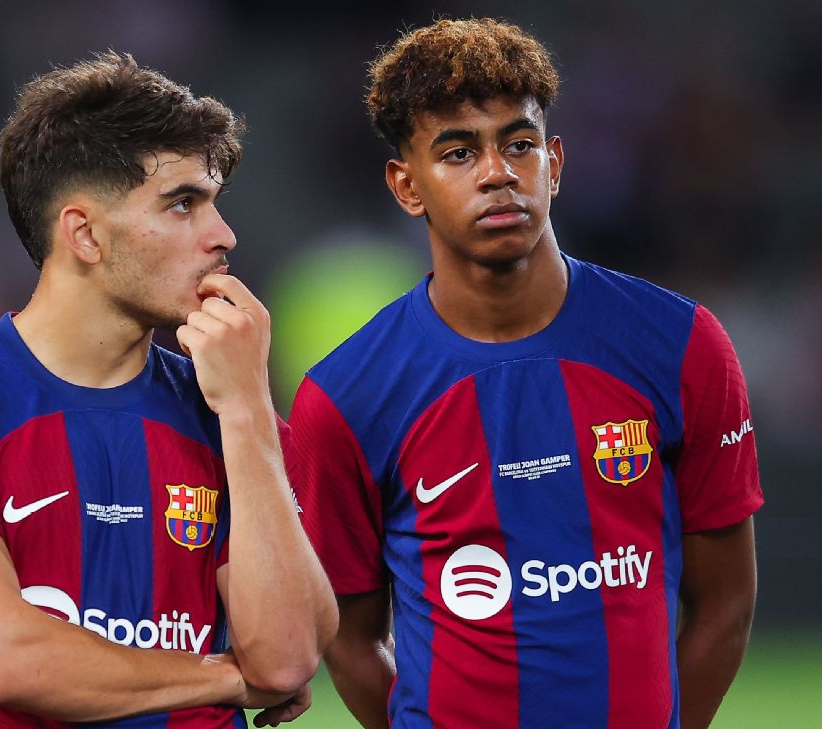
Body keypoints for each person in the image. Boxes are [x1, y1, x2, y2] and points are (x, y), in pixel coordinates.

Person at [288, 19, 762, 729]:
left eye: (518, 144)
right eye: (458, 152)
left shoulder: (681, 344)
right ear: (406, 185)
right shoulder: (344, 396)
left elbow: (725, 604)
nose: (497, 173)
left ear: (556, 163)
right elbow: (351, 640)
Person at [0, 52, 336, 728]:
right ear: (84, 234)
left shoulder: (231, 413)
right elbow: (5, 658)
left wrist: (249, 412)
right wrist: (230, 676)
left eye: (214, 204)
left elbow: (287, 659)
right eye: (182, 204)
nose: (223, 236)